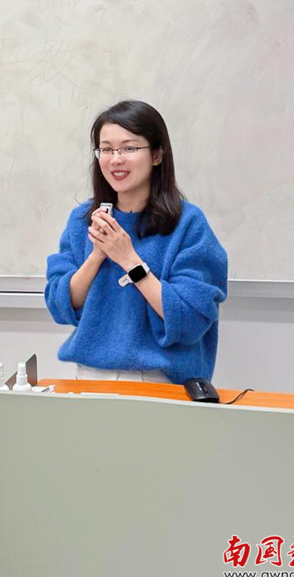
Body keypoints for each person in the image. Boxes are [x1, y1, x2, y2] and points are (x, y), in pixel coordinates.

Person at [45, 100, 227, 384]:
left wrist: (129, 260)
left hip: (160, 381)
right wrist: (97, 256)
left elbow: (190, 320)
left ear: (157, 155)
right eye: (106, 149)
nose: (115, 159)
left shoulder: (188, 224)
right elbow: (60, 305)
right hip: (89, 377)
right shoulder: (83, 221)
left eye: (129, 148)